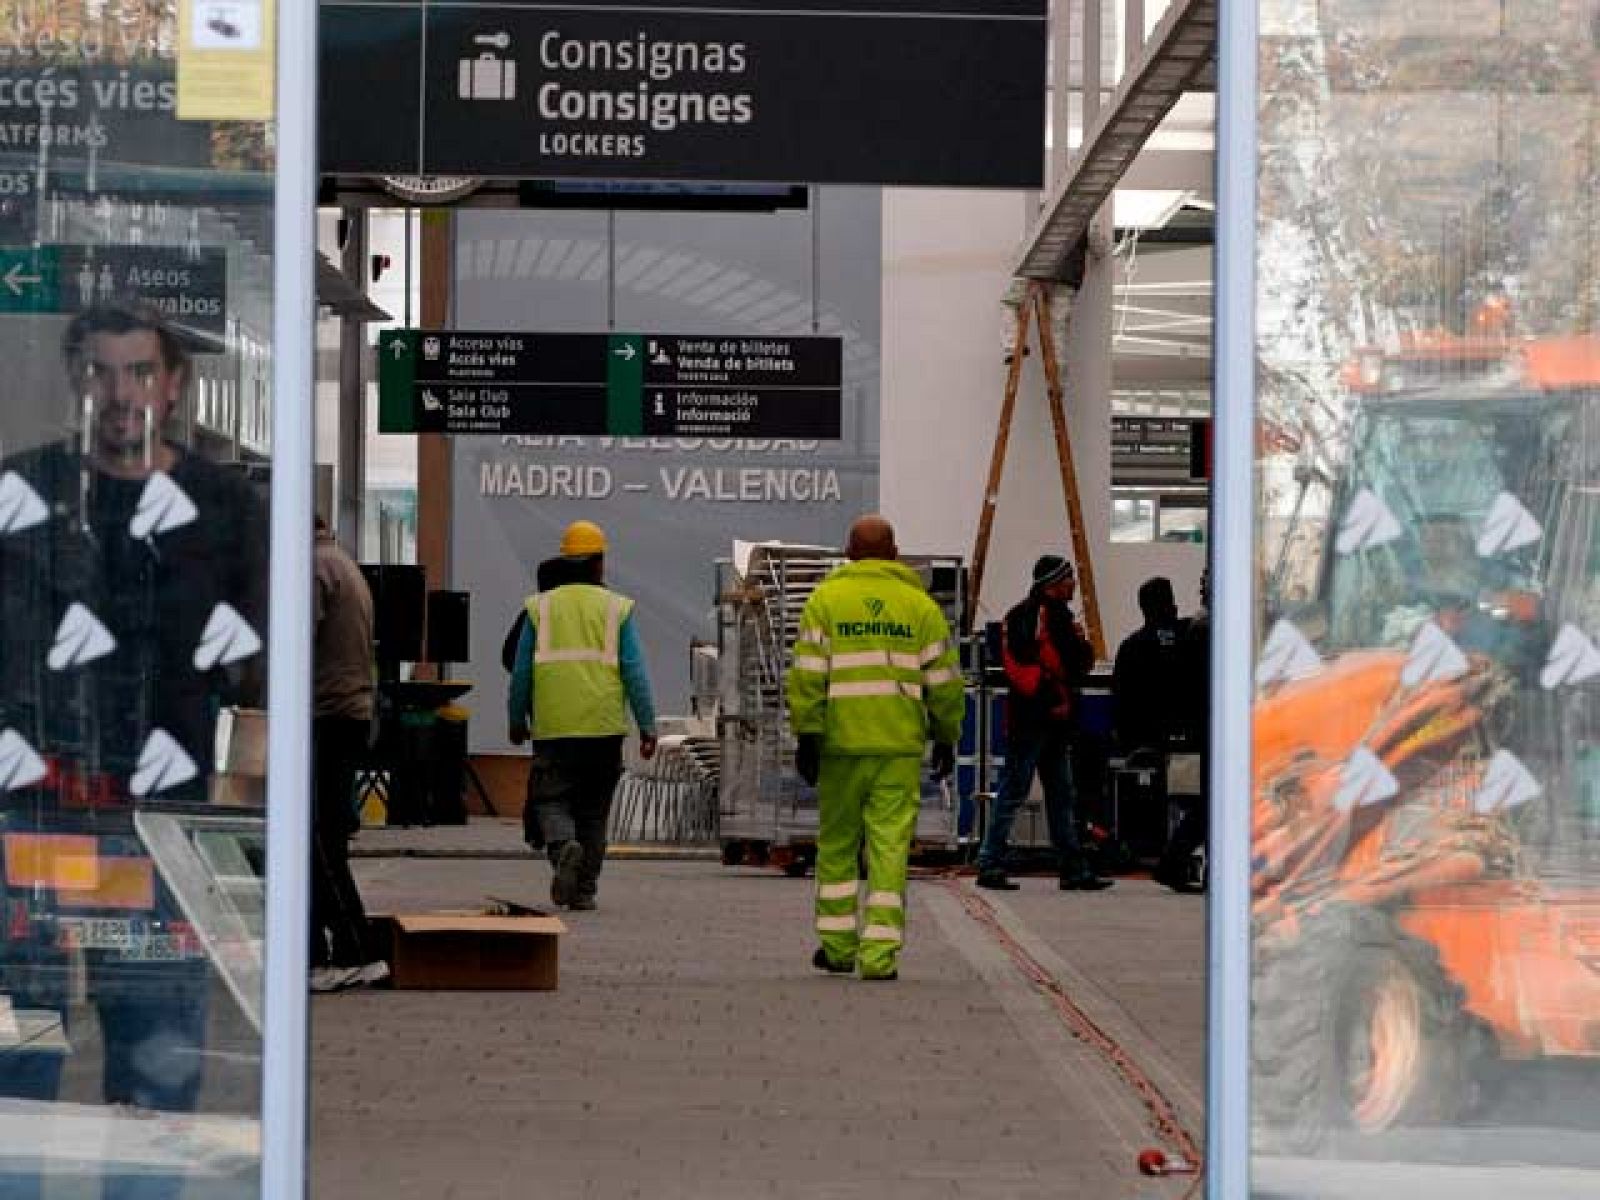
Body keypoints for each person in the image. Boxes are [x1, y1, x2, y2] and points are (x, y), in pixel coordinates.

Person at [0, 302, 268, 1198]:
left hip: (157, 836)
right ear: (77, 380)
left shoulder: (224, 507)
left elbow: (260, 665)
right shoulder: (23, 491)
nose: (121, 396)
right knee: (20, 1057)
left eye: (140, 373)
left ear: (175, 385)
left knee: (155, 1064)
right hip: (32, 826)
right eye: (102, 373)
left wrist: (245, 799)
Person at [788, 514, 964, 981]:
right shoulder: (920, 607)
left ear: (848, 552)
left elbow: (806, 675)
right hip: (898, 746)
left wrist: (807, 733)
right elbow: (944, 681)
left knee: (838, 844)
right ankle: (880, 955)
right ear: (893, 553)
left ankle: (838, 946)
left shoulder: (824, 601)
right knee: (889, 847)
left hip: (840, 744)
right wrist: (947, 734)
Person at [507, 520, 658, 910]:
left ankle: (562, 847)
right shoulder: (616, 608)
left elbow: (522, 671)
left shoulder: (539, 609)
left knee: (551, 800)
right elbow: (635, 672)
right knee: (594, 812)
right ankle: (585, 890)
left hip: (554, 728)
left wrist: (515, 719)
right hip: (603, 729)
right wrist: (648, 726)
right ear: (599, 563)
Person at [975, 555, 1113, 892]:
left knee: (1058, 793)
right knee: (1020, 791)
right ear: (1053, 582)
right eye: (1068, 579)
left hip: (1044, 719)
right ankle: (992, 862)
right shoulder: (1034, 617)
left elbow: (1071, 662)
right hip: (1036, 719)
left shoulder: (1040, 616)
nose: (1073, 585)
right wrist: (1054, 697)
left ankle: (1070, 866)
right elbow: (1038, 665)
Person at [310, 515, 388, 991]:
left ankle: (349, 951)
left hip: (324, 714)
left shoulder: (315, 569)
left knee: (319, 843)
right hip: (348, 712)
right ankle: (332, 952)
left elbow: (295, 642)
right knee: (325, 841)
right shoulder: (343, 563)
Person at [1155, 570, 1210, 893]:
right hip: (1211, 725)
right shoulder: (1206, 631)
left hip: (1201, 724)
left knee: (1210, 802)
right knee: (1214, 803)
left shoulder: (1195, 627)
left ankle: (1174, 861)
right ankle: (1173, 860)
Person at [1111, 577, 1192, 756]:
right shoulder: (1189, 636)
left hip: (1141, 738)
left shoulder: (1131, 646)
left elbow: (1119, 695)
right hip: (1185, 737)